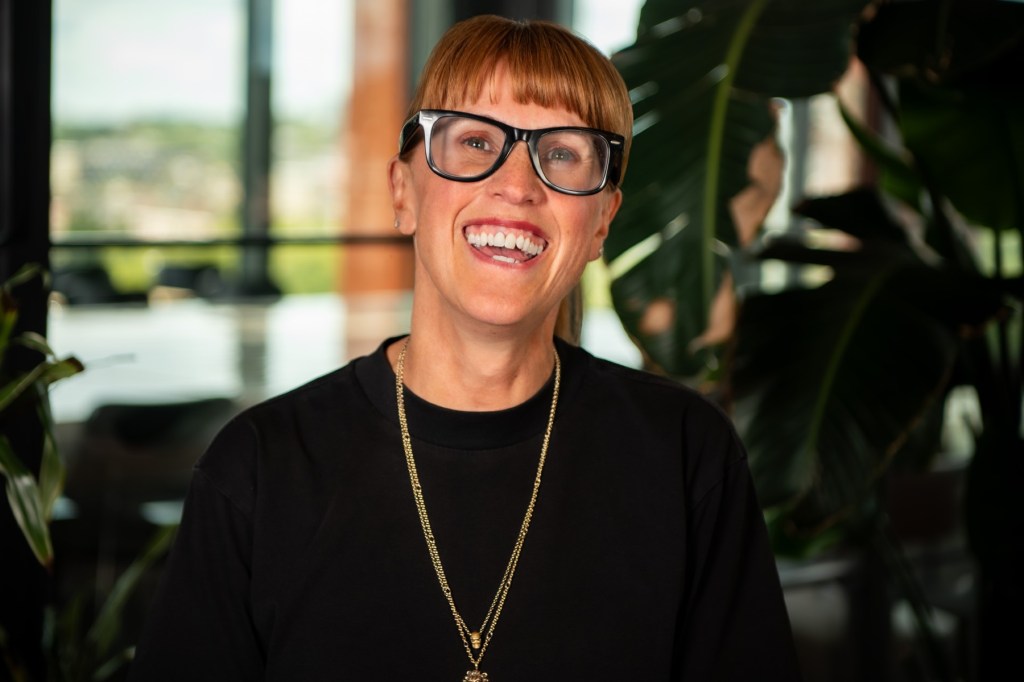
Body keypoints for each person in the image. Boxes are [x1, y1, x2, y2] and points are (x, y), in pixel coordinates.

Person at [129, 14, 801, 682]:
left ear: (602, 222)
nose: (518, 186)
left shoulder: (685, 454)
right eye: (476, 142)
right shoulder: (261, 466)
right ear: (402, 192)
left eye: (562, 153)